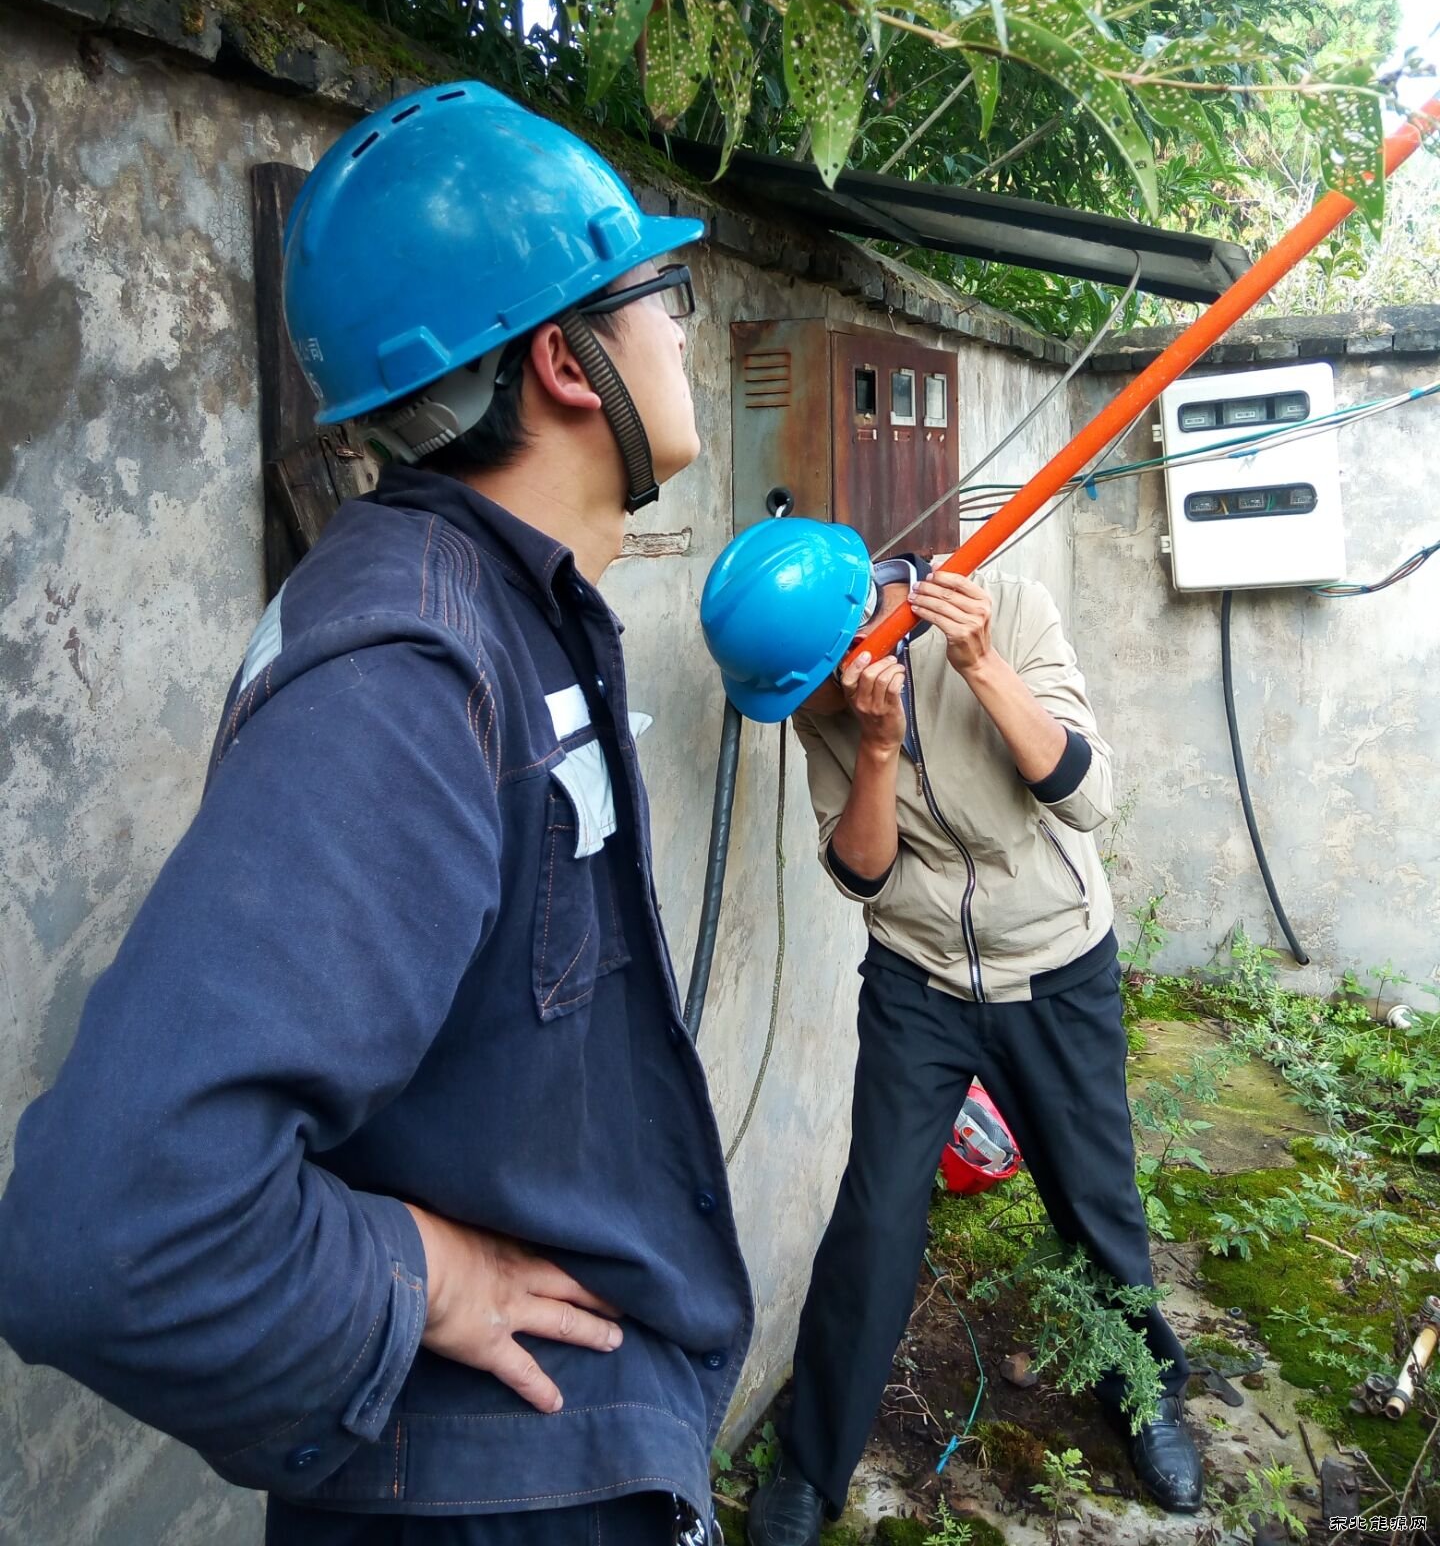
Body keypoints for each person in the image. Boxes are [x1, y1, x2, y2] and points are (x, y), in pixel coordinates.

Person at [0, 81, 751, 1546]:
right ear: (568, 361)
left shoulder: (499, 609)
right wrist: (425, 1273)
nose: (686, 330)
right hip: (489, 1501)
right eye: (662, 293)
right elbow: (112, 1230)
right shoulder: (414, 667)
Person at [703, 525, 1201, 1546]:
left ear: (857, 636)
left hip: (1056, 965)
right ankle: (810, 1467)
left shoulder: (1009, 609)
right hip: (917, 980)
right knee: (875, 1222)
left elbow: (1084, 793)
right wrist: (876, 749)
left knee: (1094, 1200)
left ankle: (1144, 1393)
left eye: (808, 692)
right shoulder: (828, 707)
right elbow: (862, 874)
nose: (806, 712)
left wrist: (979, 666)